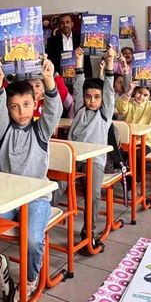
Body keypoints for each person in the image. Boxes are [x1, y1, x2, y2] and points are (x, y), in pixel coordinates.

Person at [0, 57, 62, 302]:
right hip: (6, 197)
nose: (21, 112)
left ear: (36, 104)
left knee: (32, 240)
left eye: (26, 105)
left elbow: (54, 111)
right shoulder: (4, 130)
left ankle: (30, 279)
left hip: (36, 197)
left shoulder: (41, 130)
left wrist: (49, 81)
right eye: (14, 107)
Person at [62, 47, 115, 241]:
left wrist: (110, 63)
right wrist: (78, 61)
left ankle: (89, 231)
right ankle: (43, 221)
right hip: (73, 158)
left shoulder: (104, 113)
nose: (92, 101)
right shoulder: (79, 109)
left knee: (92, 194)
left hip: (95, 160)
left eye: (97, 97)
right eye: (88, 97)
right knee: (55, 183)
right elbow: (78, 85)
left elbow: (109, 90)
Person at [116, 79, 151, 152]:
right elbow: (121, 109)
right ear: (134, 92)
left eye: (145, 95)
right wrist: (129, 91)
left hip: (147, 142)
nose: (141, 97)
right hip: (129, 140)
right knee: (118, 153)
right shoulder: (129, 103)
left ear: (149, 97)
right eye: (139, 93)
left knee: (136, 155)